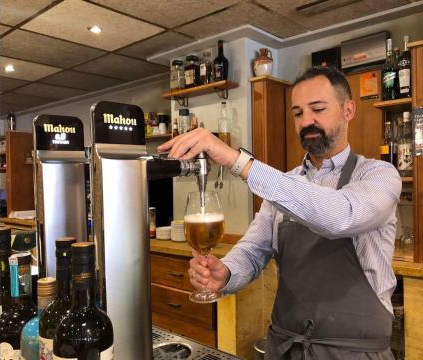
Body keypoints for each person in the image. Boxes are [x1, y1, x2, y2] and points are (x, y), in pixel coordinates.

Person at [159, 66, 400, 359]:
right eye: (298, 113)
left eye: (318, 108)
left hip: (355, 353)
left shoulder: (379, 176)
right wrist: (227, 272)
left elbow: (340, 216)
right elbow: (253, 249)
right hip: (286, 349)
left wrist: (238, 161)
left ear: (348, 110)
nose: (306, 121)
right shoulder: (285, 185)